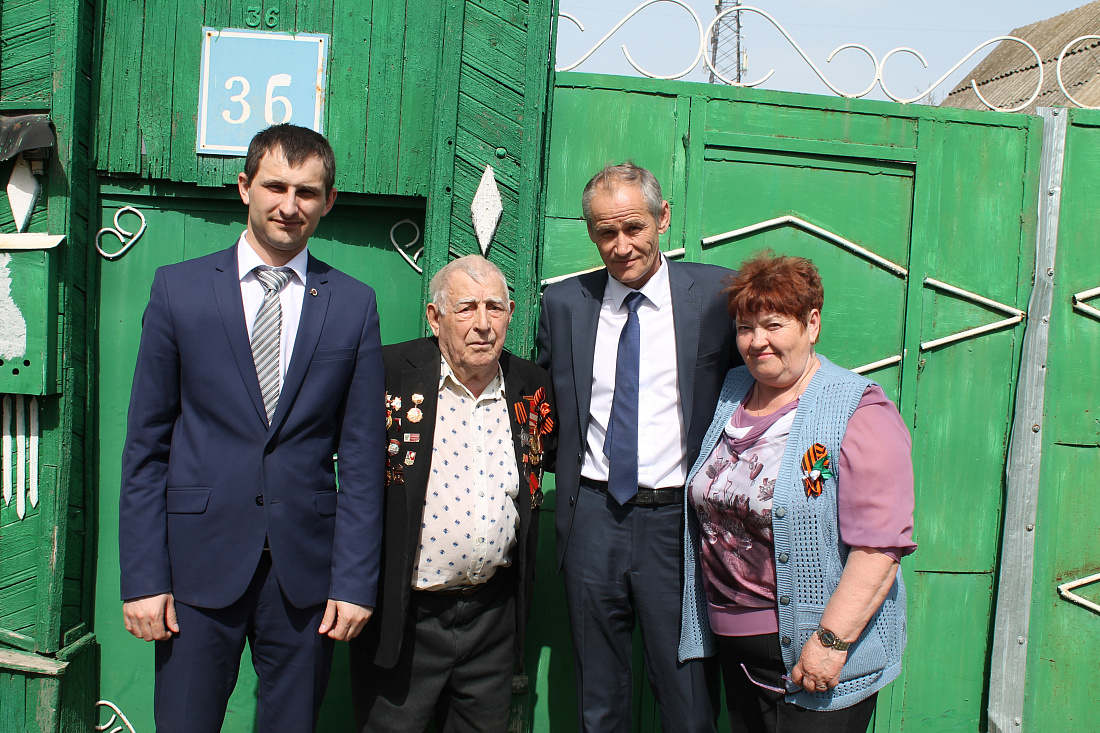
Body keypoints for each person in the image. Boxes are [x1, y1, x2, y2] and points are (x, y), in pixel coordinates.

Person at [118, 124, 386, 732]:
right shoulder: (179, 290)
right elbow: (146, 449)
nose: (290, 205)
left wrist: (354, 582)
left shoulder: (352, 304)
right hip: (194, 568)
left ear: (329, 201)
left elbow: (363, 460)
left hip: (306, 577)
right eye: (275, 187)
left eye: (307, 192)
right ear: (245, 187)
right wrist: (144, 578)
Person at [536, 162, 737, 732]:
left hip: (679, 522)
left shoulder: (716, 296)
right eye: (606, 232)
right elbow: (546, 406)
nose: (621, 246)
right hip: (593, 516)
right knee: (597, 697)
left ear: (662, 218)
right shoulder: (564, 303)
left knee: (688, 698)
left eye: (634, 228)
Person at [679, 251, 916, 733]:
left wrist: (831, 642)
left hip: (814, 657)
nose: (757, 341)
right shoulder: (732, 391)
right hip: (736, 655)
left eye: (774, 325)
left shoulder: (856, 409)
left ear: (812, 324)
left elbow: (880, 547)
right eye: (745, 328)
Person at [349, 255, 556, 732]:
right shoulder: (387, 372)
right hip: (408, 618)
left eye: (494, 307)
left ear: (511, 313)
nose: (483, 324)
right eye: (466, 308)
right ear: (435, 316)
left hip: (491, 619)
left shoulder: (530, 385)